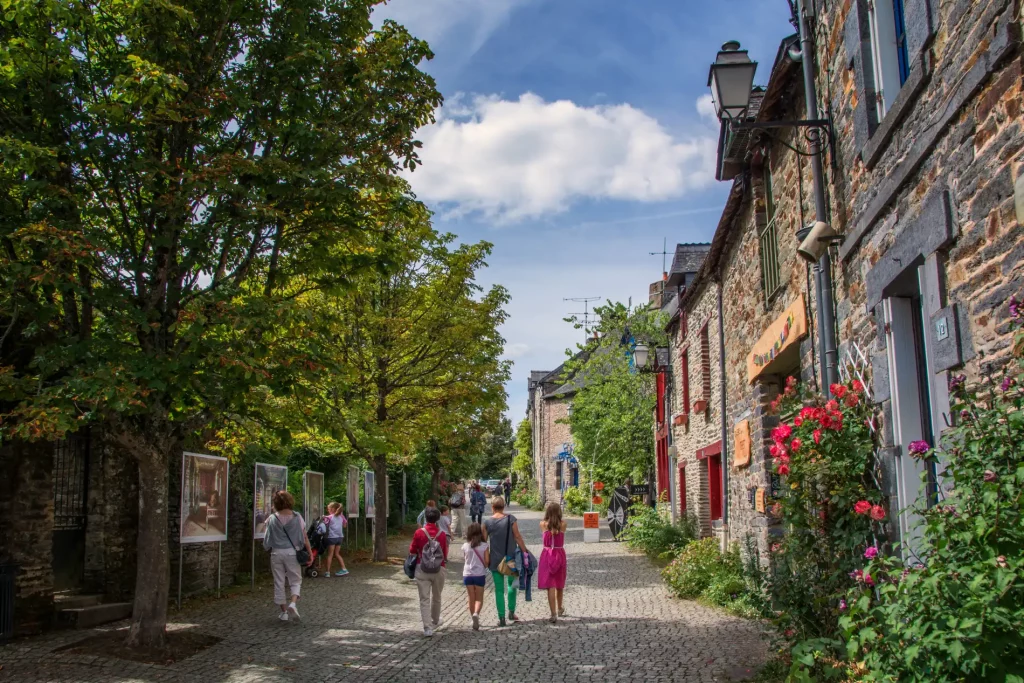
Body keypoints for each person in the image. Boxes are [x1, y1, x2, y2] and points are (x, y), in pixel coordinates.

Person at [262, 491, 312, 622]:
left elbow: (267, 538)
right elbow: (304, 536)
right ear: (290, 501)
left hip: (276, 553)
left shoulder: (272, 518)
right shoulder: (297, 517)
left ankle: (283, 612)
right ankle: (293, 603)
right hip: (291, 552)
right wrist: (310, 553)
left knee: (279, 581)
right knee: (295, 580)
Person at [482, 496, 529, 627]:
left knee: (498, 590)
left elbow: (483, 543)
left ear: (492, 507)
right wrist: (525, 551)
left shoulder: (487, 523)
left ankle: (501, 618)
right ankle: (511, 612)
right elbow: (517, 536)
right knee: (512, 586)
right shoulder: (511, 519)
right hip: (511, 559)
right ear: (504, 507)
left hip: (495, 560)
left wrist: (485, 559)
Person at [409, 507, 449, 637]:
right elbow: (445, 553)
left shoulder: (419, 533)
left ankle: (427, 628)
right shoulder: (442, 534)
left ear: (426, 518)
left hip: (422, 568)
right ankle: (435, 620)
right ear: (438, 518)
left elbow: (412, 551)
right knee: (437, 596)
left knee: (424, 599)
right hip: (439, 568)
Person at [538, 502, 568, 623]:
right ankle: (560, 608)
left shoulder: (543, 524)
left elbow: (549, 527)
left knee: (550, 585)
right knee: (559, 583)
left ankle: (553, 613)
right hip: (559, 554)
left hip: (547, 555)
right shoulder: (563, 524)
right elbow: (557, 528)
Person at [461, 522, 489, 631]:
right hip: (479, 574)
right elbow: (487, 561)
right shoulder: (484, 546)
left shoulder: (465, 546)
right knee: (479, 598)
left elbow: (465, 559)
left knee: (470, 597)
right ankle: (476, 614)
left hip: (467, 574)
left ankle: (472, 618)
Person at [322, 502, 349, 577]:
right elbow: (344, 525)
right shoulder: (341, 516)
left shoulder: (329, 517)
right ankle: (344, 569)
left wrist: (324, 518)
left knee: (330, 554)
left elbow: (324, 525)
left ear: (333, 509)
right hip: (340, 537)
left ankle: (327, 572)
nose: (328, 510)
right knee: (337, 554)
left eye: (329, 508)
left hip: (331, 537)